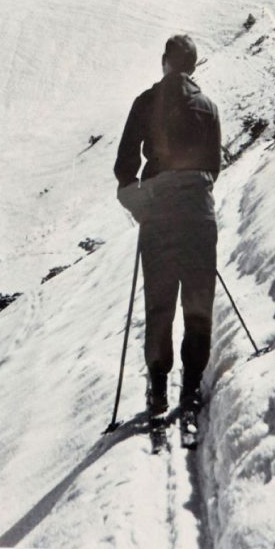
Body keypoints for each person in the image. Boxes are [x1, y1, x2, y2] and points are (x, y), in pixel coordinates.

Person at [113, 34, 221, 418]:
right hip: (198, 216)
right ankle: (190, 388)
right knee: (197, 304)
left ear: (165, 62)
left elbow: (124, 169)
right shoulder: (208, 108)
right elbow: (213, 168)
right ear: (193, 66)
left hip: (159, 216)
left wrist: (142, 205)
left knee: (160, 305)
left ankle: (158, 389)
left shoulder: (146, 103)